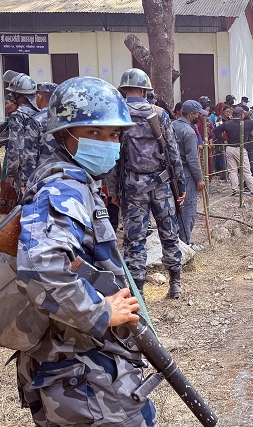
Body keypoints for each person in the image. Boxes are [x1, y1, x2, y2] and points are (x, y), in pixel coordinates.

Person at [14, 76, 176, 427]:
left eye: (113, 134)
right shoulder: (64, 187)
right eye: (93, 133)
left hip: (60, 370)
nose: (107, 142)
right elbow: (41, 266)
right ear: (64, 134)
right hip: (88, 375)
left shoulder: (68, 179)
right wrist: (101, 311)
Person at [107, 68, 185, 298]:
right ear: (144, 90)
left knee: (134, 239)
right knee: (169, 233)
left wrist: (113, 190)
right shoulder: (159, 114)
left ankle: (138, 291)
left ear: (123, 89)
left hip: (132, 187)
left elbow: (113, 157)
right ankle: (175, 284)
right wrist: (180, 186)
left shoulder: (117, 114)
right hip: (162, 184)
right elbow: (173, 153)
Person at [172, 99, 208, 245]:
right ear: (191, 114)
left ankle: (174, 240)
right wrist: (199, 179)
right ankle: (185, 241)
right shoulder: (189, 132)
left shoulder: (171, 126)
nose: (200, 117)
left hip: (171, 174)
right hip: (186, 175)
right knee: (188, 209)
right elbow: (192, 159)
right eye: (198, 114)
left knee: (174, 208)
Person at [2, 69, 43, 196]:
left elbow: (15, 148)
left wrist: (10, 174)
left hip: (26, 174)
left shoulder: (17, 116)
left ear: (17, 95)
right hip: (43, 169)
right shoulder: (42, 114)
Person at [213, 106, 253, 195]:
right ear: (241, 115)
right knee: (246, 170)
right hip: (240, 149)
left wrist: (223, 140)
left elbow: (216, 131)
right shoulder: (245, 123)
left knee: (232, 170)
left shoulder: (227, 124)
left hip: (229, 148)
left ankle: (235, 190)